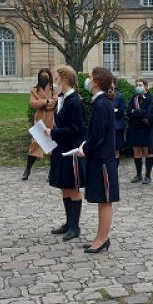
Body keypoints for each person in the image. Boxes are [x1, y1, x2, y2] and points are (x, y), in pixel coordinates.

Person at [78, 67, 120, 254]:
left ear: (96, 81)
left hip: (103, 159)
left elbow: (98, 135)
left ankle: (103, 238)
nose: (87, 80)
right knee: (101, 200)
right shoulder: (100, 102)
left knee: (105, 200)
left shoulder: (102, 104)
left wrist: (84, 149)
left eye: (89, 77)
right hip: (99, 158)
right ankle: (99, 236)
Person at [45, 65, 86, 241]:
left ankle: (75, 226)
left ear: (64, 79)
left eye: (56, 78)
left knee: (73, 187)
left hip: (71, 150)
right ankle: (68, 223)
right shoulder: (62, 99)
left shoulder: (75, 101)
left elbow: (77, 129)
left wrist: (53, 133)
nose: (54, 81)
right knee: (64, 186)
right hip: (60, 148)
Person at [23, 68, 57, 181]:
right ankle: (27, 169)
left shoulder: (54, 89)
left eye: (46, 76)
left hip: (51, 119)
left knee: (52, 145)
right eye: (42, 76)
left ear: (49, 77)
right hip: (39, 120)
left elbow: (55, 102)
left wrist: (44, 103)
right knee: (35, 144)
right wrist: (46, 101)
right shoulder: (34, 90)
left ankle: (52, 172)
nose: (44, 78)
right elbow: (32, 103)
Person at [127, 78, 153, 184]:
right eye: (137, 85)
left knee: (147, 152)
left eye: (140, 85)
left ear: (146, 86)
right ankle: (138, 175)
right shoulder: (134, 98)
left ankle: (148, 176)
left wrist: (136, 111)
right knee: (137, 151)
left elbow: (148, 113)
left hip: (146, 129)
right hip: (135, 128)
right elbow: (129, 112)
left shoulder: (151, 98)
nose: (138, 87)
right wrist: (137, 112)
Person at [112, 83, 127, 163]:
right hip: (106, 127)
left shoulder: (119, 96)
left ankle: (114, 170)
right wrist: (114, 110)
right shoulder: (103, 96)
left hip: (117, 127)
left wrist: (114, 111)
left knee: (116, 150)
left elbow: (121, 112)